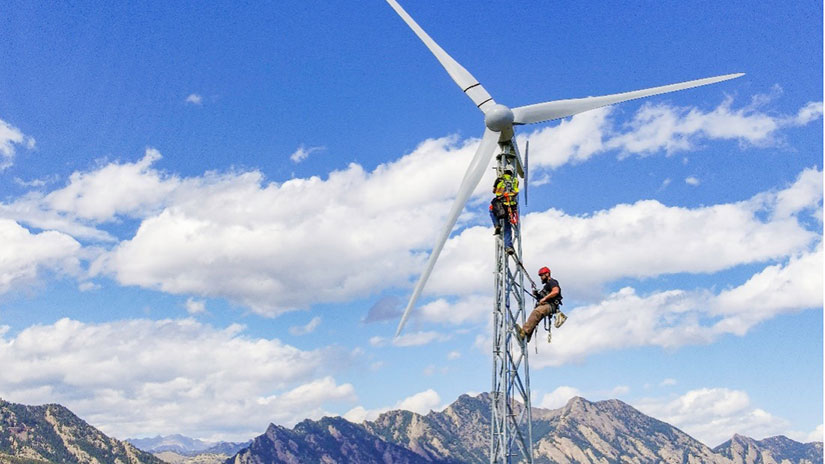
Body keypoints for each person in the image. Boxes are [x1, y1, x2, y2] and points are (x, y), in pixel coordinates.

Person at [516, 267, 567, 342]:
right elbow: (543, 296)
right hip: (548, 304)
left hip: (551, 305)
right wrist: (537, 295)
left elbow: (555, 291)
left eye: (542, 275)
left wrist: (544, 298)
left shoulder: (552, 282)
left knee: (537, 312)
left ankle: (525, 332)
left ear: (547, 274)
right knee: (535, 317)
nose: (541, 278)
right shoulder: (546, 287)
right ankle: (527, 335)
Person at [489, 166, 518, 255]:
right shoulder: (515, 181)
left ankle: (497, 225)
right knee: (507, 227)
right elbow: (516, 192)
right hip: (510, 206)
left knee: (491, 210)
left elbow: (494, 191)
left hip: (500, 204)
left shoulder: (499, 179)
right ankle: (509, 246)